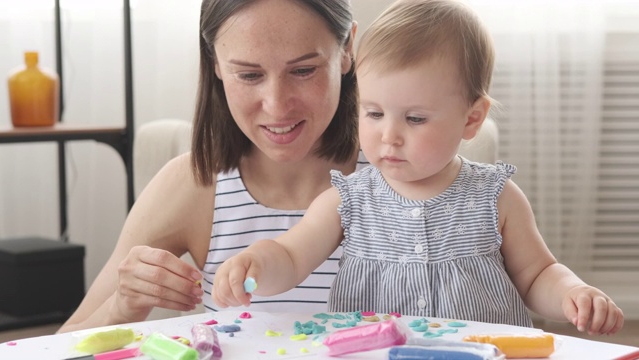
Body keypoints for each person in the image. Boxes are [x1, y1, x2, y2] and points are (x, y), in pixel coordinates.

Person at [212, 0, 624, 335]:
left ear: (471, 119)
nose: (389, 136)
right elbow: (290, 255)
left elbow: (537, 276)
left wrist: (572, 293)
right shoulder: (348, 199)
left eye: (414, 119)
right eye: (373, 114)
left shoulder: (494, 197)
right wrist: (257, 265)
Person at [58, 0, 363, 333]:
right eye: (249, 75)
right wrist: (121, 306)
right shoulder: (195, 185)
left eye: (303, 70)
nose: (276, 106)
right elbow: (57, 347)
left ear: (347, 47)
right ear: (214, 62)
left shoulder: (402, 177)